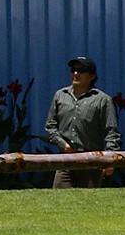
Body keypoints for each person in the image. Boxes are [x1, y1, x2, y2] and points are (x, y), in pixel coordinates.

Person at [45, 56, 120, 188]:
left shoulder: (103, 100)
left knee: (89, 204)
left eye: (81, 71)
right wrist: (63, 144)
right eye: (73, 70)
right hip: (65, 160)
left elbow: (111, 132)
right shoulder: (60, 96)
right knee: (59, 201)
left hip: (91, 160)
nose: (75, 74)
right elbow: (50, 127)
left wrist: (109, 160)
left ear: (92, 76)